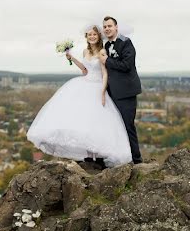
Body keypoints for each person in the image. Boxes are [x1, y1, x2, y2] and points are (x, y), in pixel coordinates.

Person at [27, 24, 133, 167]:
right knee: (83, 120)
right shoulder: (85, 52)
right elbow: (84, 70)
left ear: (98, 36)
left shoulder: (102, 51)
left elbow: (105, 73)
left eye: (94, 34)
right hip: (85, 83)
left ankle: (98, 155)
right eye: (89, 35)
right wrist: (72, 58)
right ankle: (89, 155)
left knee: (96, 122)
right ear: (86, 37)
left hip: (97, 87)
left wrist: (103, 92)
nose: (92, 36)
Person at [98, 16, 143, 164]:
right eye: (105, 27)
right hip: (111, 93)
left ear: (116, 27)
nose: (107, 29)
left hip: (126, 92)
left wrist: (108, 61)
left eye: (109, 26)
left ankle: (137, 160)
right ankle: (118, 159)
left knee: (127, 126)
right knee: (113, 127)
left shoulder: (126, 42)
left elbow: (126, 65)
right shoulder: (105, 45)